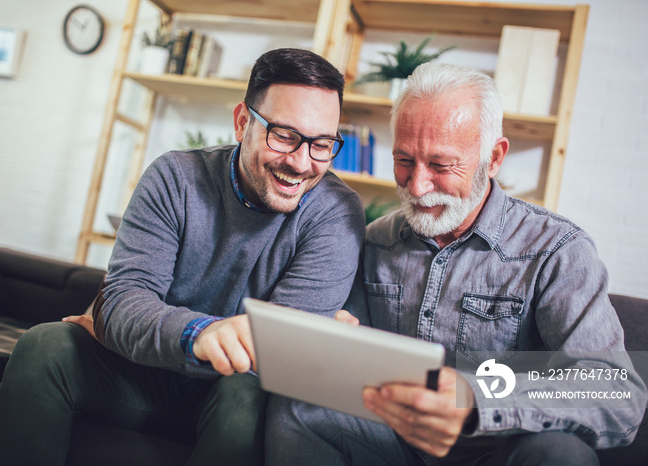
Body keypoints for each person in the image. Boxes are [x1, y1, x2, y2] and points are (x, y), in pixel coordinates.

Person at [0, 48, 366, 466]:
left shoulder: (336, 215)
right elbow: (123, 301)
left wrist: (127, 327)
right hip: (142, 379)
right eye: (284, 135)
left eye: (322, 145)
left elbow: (277, 354)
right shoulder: (175, 178)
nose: (300, 162)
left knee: (247, 389)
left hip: (232, 396)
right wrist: (199, 335)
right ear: (243, 122)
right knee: (45, 345)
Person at [265, 62, 647, 466]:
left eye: (442, 166)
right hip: (388, 446)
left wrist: (476, 399)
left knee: (559, 452)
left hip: (495, 452)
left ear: (494, 157)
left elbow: (614, 391)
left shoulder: (557, 251)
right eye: (404, 160)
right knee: (298, 407)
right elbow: (345, 354)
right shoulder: (375, 240)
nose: (417, 186)